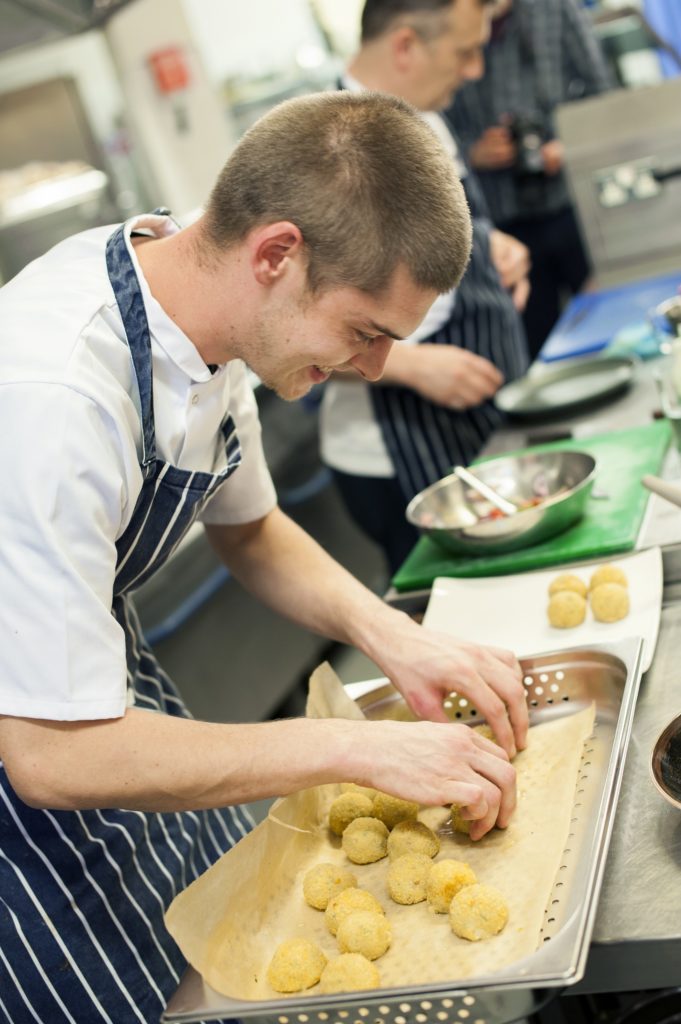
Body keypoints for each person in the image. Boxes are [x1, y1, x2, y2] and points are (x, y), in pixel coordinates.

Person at [0, 92, 527, 1024]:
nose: (374, 368)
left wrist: (394, 636)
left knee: (212, 950)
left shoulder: (207, 307)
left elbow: (248, 529)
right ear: (276, 253)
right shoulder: (54, 398)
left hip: (95, 694)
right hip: (34, 764)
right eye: (364, 332)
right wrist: (355, 748)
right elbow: (51, 755)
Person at [319, 0, 531, 574]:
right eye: (464, 52)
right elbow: (283, 331)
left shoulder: (425, 117)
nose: (475, 71)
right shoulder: (327, 155)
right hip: (398, 448)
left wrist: (491, 246)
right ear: (406, 45)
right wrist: (412, 366)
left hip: (477, 423)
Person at [448, 0, 612, 358]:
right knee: (538, 344)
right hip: (503, 221)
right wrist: (472, 152)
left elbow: (602, 92)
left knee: (611, 316)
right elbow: (434, 119)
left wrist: (567, 144)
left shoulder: (555, 9)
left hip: (572, 204)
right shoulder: (450, 20)